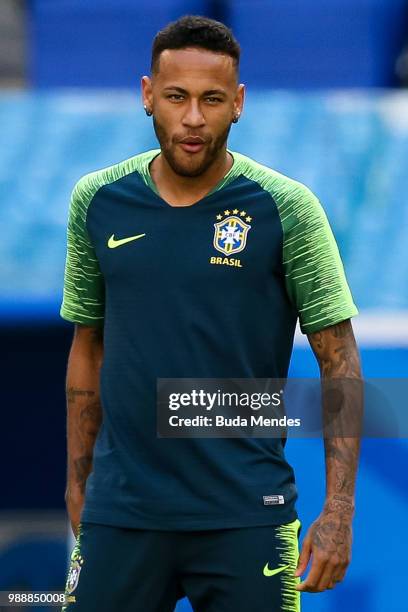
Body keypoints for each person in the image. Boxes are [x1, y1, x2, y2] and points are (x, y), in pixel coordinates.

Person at [60, 15, 362, 612]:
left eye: (212, 99)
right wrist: (78, 483)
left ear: (239, 103)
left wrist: (339, 510)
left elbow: (340, 358)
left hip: (248, 514)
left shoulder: (287, 208)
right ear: (148, 95)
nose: (193, 118)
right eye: (176, 97)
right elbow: (87, 348)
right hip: (122, 514)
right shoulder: (96, 200)